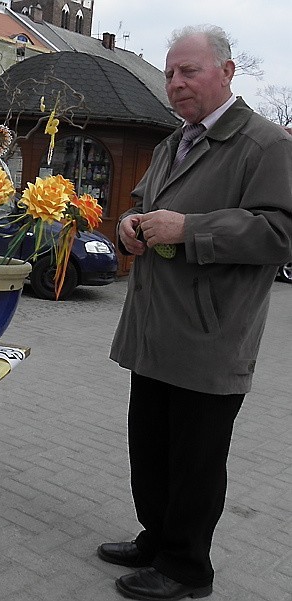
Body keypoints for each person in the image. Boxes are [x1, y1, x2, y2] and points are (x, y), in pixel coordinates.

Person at [103, 25, 292, 601]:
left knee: (196, 460)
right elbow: (143, 202)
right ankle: (156, 537)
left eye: (189, 71)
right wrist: (129, 227)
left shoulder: (266, 145)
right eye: (169, 72)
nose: (176, 83)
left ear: (227, 72)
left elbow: (280, 232)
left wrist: (191, 229)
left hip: (211, 336)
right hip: (156, 329)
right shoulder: (172, 142)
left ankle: (187, 567)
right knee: (151, 446)